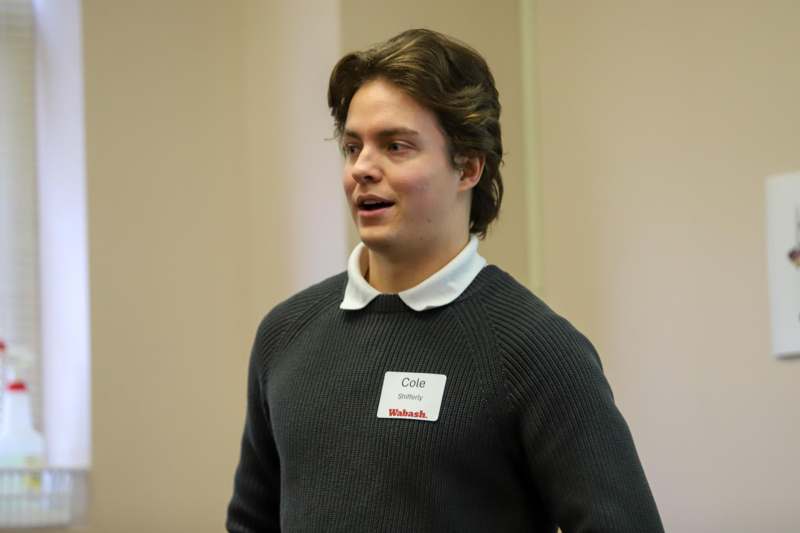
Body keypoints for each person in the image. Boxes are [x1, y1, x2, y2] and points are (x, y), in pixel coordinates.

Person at [227, 28, 664, 533]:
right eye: (352, 147)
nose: (362, 168)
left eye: (395, 146)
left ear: (468, 167)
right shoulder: (285, 333)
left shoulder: (540, 351)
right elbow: (250, 523)